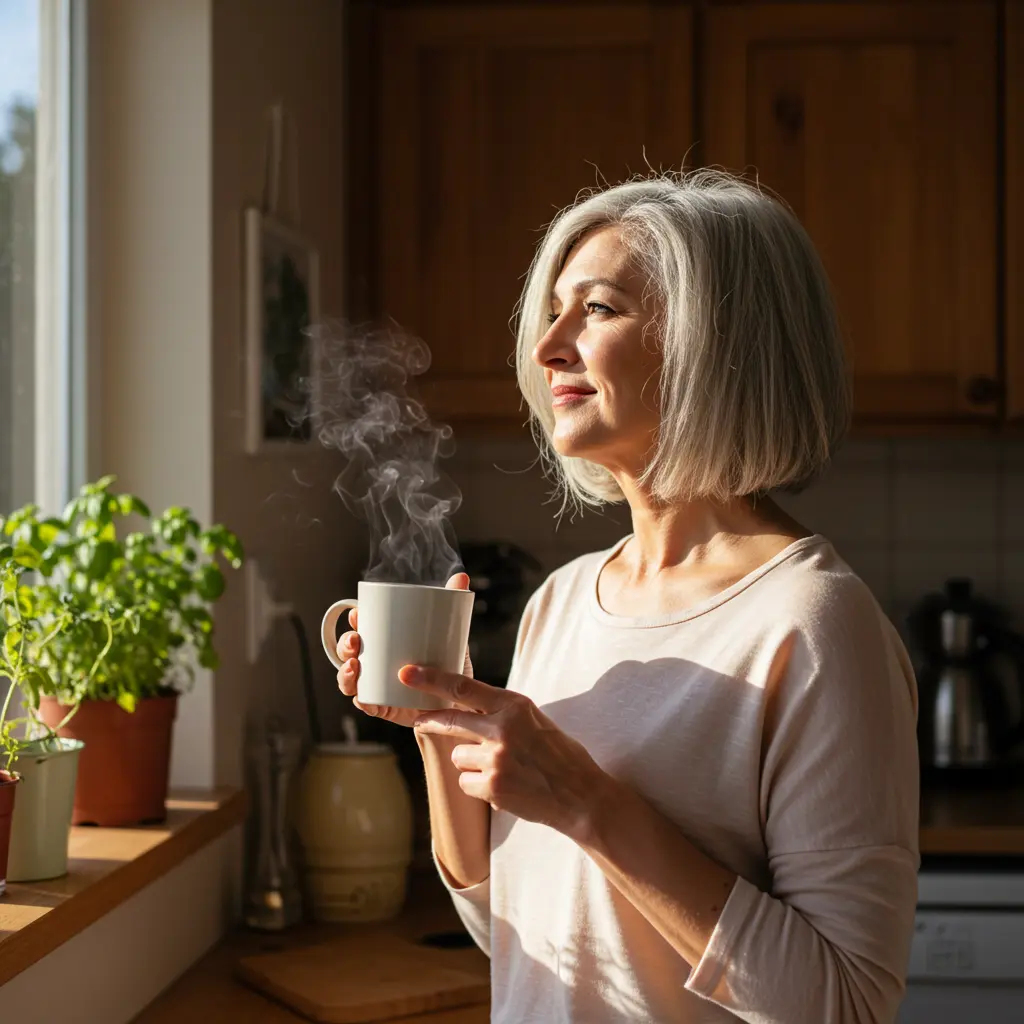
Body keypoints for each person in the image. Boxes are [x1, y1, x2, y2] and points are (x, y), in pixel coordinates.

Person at [336, 171, 919, 1023]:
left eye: (599, 309)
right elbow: (513, 932)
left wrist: (583, 801)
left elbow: (845, 1003)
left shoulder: (814, 624)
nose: (547, 348)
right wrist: (438, 718)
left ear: (716, 340)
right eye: (553, 312)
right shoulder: (563, 600)